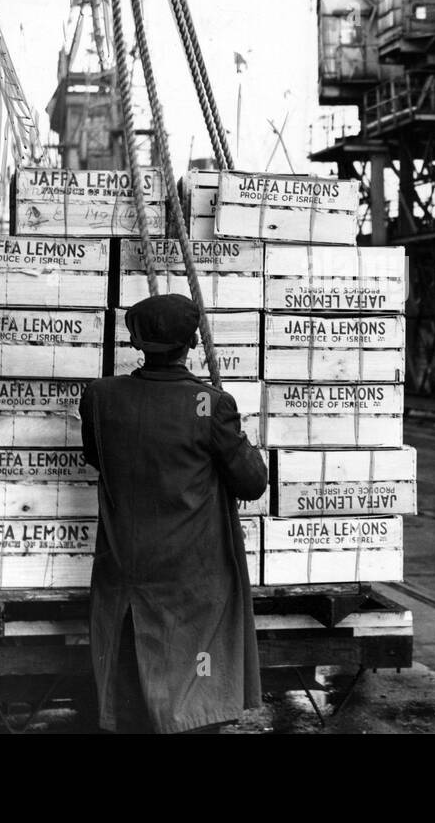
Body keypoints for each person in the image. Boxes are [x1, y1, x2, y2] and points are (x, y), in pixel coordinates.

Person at [80, 293, 267, 734]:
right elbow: (253, 483)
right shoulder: (211, 405)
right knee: (191, 707)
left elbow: (97, 456)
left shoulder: (101, 397)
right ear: (193, 343)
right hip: (192, 584)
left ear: (137, 341)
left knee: (130, 705)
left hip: (123, 574)